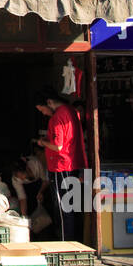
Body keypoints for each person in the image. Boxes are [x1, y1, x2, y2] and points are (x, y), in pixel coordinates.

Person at [36, 92, 87, 241]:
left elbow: (58, 146)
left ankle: (67, 242)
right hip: (73, 164)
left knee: (64, 207)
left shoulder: (57, 117)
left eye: (42, 109)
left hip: (61, 166)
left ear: (49, 102)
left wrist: (42, 143)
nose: (44, 113)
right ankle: (76, 240)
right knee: (73, 205)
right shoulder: (71, 110)